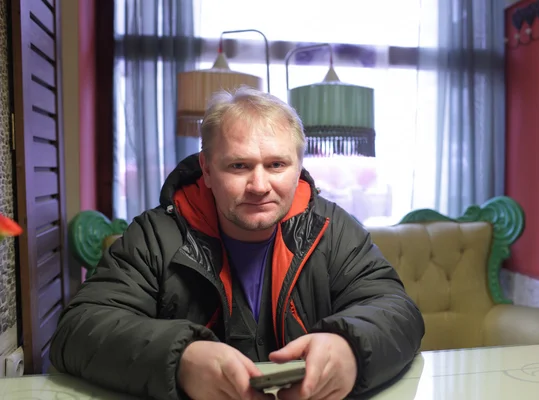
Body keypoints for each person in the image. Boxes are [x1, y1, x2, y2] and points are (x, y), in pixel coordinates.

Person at [50, 86, 425, 400]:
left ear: (299, 167)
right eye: (238, 166)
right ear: (208, 170)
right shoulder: (154, 235)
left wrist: (351, 350)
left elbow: (396, 309)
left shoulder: (333, 228)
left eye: (277, 165)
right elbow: (78, 330)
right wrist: (181, 359)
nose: (259, 186)